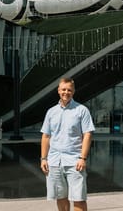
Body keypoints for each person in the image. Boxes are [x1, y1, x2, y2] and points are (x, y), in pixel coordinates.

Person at [40, 77, 95, 211]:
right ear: (58, 90)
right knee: (61, 198)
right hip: (54, 162)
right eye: (63, 89)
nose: (66, 92)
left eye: (69, 90)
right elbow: (46, 136)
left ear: (74, 91)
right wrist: (43, 158)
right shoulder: (51, 112)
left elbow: (87, 134)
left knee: (79, 199)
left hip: (75, 162)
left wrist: (82, 158)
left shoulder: (82, 110)